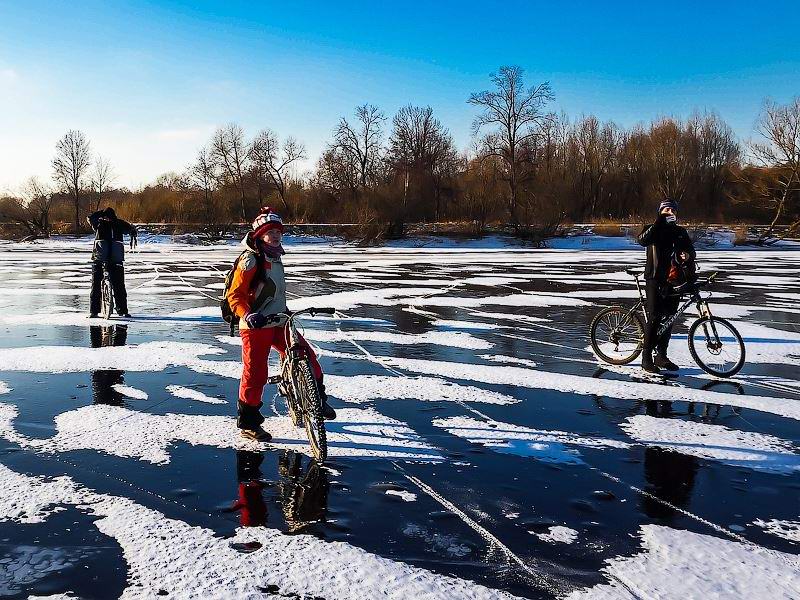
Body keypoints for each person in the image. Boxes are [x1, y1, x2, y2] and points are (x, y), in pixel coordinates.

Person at [226, 207, 336, 442]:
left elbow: (274, 293)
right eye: (270, 231)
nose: (276, 235)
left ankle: (318, 401)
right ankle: (249, 423)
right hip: (255, 325)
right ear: (259, 234)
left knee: (305, 354)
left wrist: (285, 312)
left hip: (278, 319)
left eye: (278, 231)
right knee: (255, 373)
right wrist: (247, 315)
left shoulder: (275, 255)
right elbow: (235, 296)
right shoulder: (250, 259)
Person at [636, 199, 696, 374]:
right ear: (660, 211)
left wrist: (688, 255)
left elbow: (691, 250)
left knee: (669, 319)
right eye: (666, 209)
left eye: (672, 209)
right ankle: (646, 359)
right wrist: (659, 221)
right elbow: (642, 240)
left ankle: (661, 356)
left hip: (675, 279)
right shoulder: (652, 228)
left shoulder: (680, 231)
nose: (669, 212)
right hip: (655, 278)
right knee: (654, 318)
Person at [87, 207, 137, 318]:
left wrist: (133, 231)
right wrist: (102, 213)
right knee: (102, 286)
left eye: (108, 217)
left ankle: (119, 310)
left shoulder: (111, 223)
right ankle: (97, 311)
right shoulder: (102, 224)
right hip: (105, 260)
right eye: (106, 217)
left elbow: (129, 228)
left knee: (115, 286)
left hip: (109, 260)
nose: (107, 219)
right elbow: (90, 218)